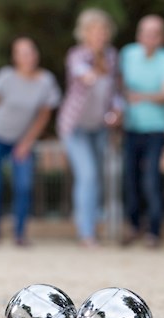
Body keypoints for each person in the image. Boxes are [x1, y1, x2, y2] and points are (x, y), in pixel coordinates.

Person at [57, 8, 121, 248]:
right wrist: (98, 59)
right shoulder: (77, 55)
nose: (99, 34)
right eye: (93, 30)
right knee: (88, 175)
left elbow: (113, 91)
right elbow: (87, 77)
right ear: (84, 33)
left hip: (99, 126)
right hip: (75, 126)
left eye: (102, 30)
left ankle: (90, 225)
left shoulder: (113, 56)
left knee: (98, 179)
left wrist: (116, 110)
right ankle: (87, 233)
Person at [0, 37, 61, 246]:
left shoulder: (45, 81)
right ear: (15, 57)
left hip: (22, 140)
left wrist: (26, 142)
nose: (28, 57)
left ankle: (20, 233)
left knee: (24, 185)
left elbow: (43, 116)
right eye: (22, 53)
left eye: (31, 52)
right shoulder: (5, 77)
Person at [120, 15, 164, 248]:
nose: (149, 37)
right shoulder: (127, 54)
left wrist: (138, 96)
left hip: (156, 129)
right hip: (131, 127)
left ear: (163, 37)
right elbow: (120, 87)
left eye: (154, 33)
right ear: (138, 34)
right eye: (145, 32)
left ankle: (154, 231)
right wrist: (147, 96)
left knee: (151, 180)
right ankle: (134, 226)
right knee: (130, 179)